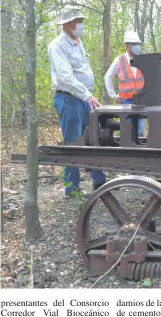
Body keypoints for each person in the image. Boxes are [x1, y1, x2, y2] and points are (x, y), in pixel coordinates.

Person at [48, 5, 106, 198]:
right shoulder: (57, 45)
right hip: (69, 99)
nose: (80, 24)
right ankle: (71, 189)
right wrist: (86, 94)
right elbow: (65, 77)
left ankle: (99, 180)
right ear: (67, 24)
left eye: (80, 21)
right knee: (72, 143)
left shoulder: (79, 42)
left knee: (93, 138)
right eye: (77, 21)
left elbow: (82, 71)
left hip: (84, 97)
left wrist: (87, 94)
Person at [104, 31, 145, 137]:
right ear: (127, 45)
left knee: (139, 131)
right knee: (128, 130)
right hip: (126, 101)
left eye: (137, 44)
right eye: (133, 44)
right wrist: (113, 95)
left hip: (141, 101)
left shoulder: (144, 59)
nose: (136, 46)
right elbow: (108, 77)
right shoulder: (119, 60)